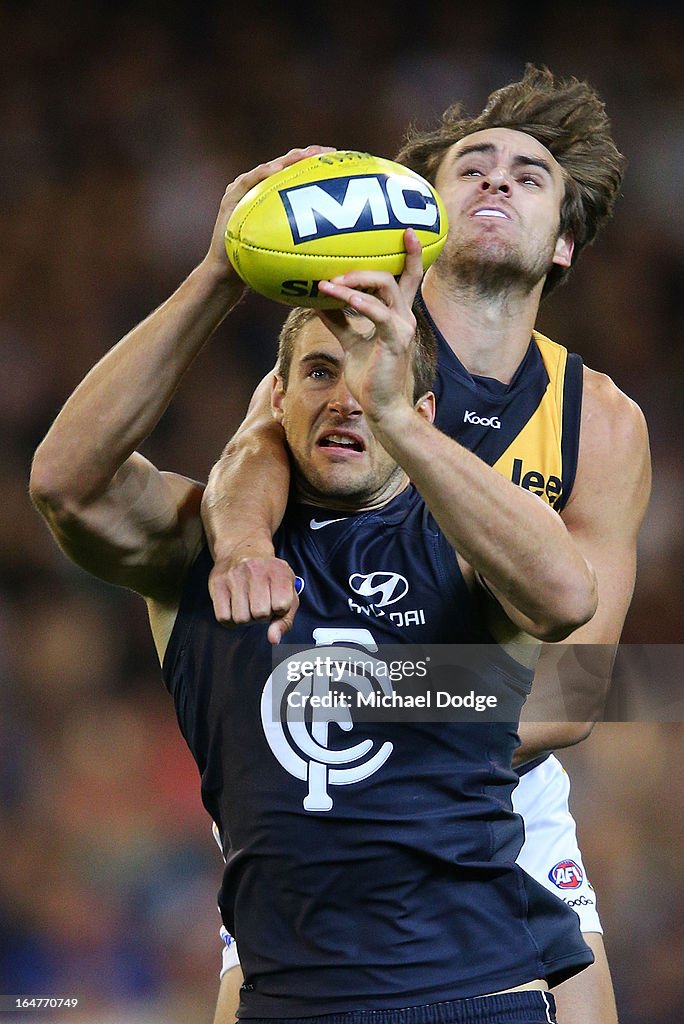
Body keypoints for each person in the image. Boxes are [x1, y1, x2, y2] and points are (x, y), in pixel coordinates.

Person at [29, 146, 600, 1024]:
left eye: (372, 372)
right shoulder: (203, 548)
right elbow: (65, 484)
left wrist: (397, 420)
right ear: (276, 398)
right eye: (320, 373)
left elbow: (567, 599)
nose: (346, 398)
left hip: (479, 994)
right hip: (288, 1002)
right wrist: (217, 276)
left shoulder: (467, 536)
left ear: (423, 407)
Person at [200, 67, 652, 1024]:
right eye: (471, 168)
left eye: (529, 178)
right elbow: (249, 453)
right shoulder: (343, 339)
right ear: (422, 218)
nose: (496, 181)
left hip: (462, 774)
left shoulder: (597, 420)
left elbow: (575, 689)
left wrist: (367, 709)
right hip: (308, 782)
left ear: (564, 242)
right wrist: (243, 541)